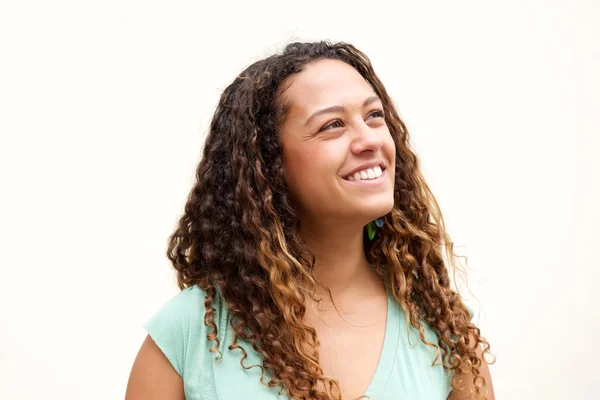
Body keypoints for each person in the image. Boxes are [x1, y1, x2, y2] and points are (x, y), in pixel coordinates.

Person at [125, 40, 495, 400]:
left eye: (374, 116)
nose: (369, 140)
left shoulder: (443, 326)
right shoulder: (189, 334)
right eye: (333, 125)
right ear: (269, 166)